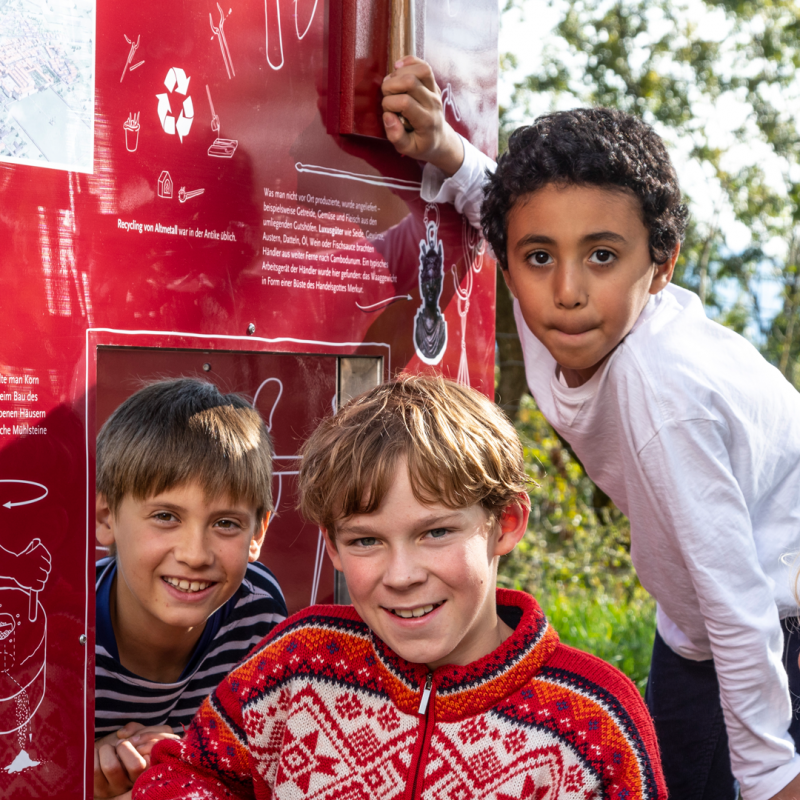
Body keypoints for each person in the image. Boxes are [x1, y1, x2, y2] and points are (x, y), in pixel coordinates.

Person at [380, 57, 800, 800]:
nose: (567, 291)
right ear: (510, 261)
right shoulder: (565, 296)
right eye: (539, 258)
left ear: (662, 264)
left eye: (603, 256)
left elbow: (741, 605)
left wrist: (771, 777)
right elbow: (502, 203)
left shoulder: (663, 389)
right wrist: (445, 147)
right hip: (694, 625)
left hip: (777, 622)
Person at [132, 375, 667, 799]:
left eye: (435, 532)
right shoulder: (296, 663)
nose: (403, 574)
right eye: (366, 541)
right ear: (334, 549)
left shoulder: (592, 724)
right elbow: (191, 772)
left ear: (505, 523)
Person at [93, 378, 287, 800]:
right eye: (165, 516)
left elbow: (265, 769)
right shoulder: (60, 628)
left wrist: (189, 766)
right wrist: (74, 769)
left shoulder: (258, 613)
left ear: (258, 533)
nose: (195, 554)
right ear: (107, 516)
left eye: (225, 524)